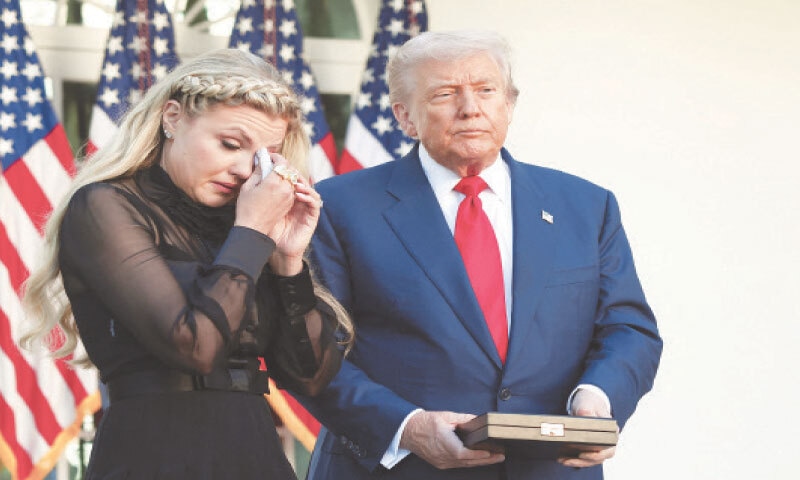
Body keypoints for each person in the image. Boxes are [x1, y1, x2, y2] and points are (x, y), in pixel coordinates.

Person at [300, 30, 662, 480]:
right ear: (404, 116)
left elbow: (629, 329)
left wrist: (596, 397)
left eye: (486, 91)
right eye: (445, 93)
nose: (470, 108)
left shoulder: (586, 206)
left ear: (508, 104)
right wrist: (407, 428)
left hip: (549, 469)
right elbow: (309, 353)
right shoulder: (337, 207)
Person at [20, 48, 352, 480]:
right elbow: (195, 347)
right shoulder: (106, 206)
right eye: (230, 144)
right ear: (172, 118)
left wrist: (288, 261)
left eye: (263, 155)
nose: (242, 168)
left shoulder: (246, 225)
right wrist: (251, 230)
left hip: (257, 456)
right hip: (151, 455)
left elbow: (309, 377)